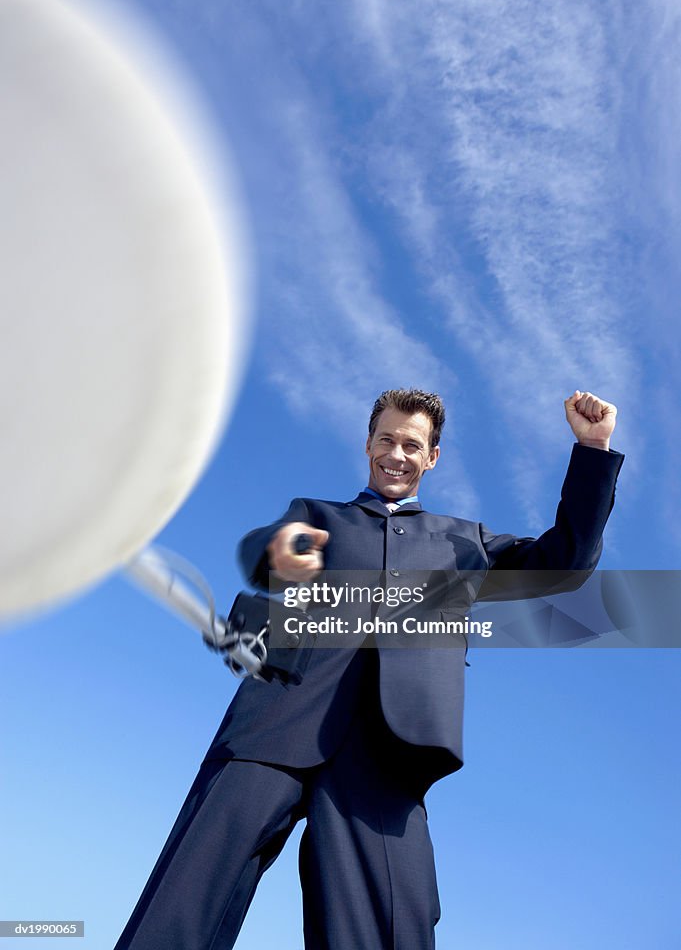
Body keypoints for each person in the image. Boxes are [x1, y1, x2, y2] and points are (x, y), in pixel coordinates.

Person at [115, 388, 624, 950]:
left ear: (432, 457)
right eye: (387, 439)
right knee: (187, 897)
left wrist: (593, 450)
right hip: (278, 718)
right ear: (368, 444)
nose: (397, 454)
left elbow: (564, 568)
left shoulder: (467, 542)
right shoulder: (317, 514)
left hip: (393, 747)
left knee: (387, 930)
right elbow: (279, 563)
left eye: (412, 444)